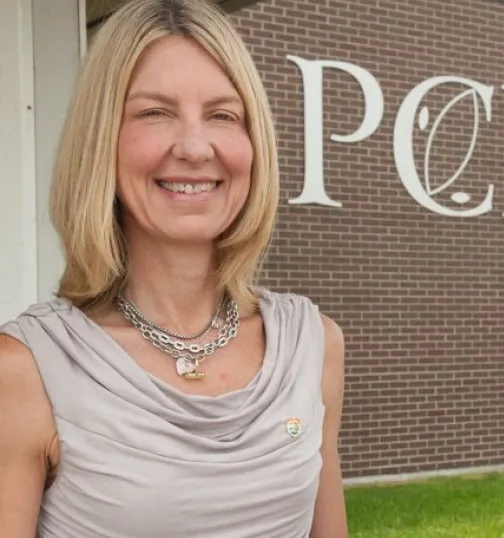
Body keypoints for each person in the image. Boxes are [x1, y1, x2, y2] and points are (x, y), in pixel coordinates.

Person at [0, 0, 349, 536]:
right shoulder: (25, 370)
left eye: (223, 115)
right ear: (102, 141)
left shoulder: (312, 344)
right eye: (154, 112)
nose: (193, 146)